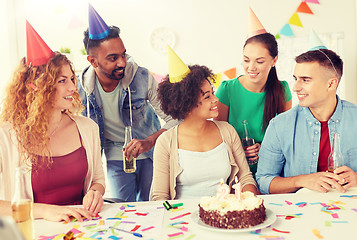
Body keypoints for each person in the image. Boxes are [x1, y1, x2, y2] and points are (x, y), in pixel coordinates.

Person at [0, 22, 105, 222]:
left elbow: (98, 180)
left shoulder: (87, 128)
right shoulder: (5, 136)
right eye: (62, 81)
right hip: (32, 231)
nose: (73, 88)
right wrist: (45, 211)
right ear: (36, 87)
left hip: (84, 228)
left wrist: (95, 192)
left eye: (72, 79)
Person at [78, 7, 178, 202]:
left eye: (123, 54)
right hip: (115, 158)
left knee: (153, 208)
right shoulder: (78, 88)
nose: (122, 62)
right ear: (93, 61)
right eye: (112, 58)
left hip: (151, 155)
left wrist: (150, 141)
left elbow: (174, 119)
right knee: (122, 209)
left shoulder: (142, 77)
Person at [256, 48, 357, 194]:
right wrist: (302, 180)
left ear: (331, 84)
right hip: (300, 211)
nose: (295, 87)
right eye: (296, 79)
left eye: (305, 80)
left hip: (354, 208)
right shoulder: (279, 126)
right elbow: (264, 181)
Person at [151, 49, 258, 200]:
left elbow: (246, 178)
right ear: (187, 104)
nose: (216, 100)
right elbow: (160, 196)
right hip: (182, 219)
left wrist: (249, 205)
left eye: (212, 93)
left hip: (223, 216)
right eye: (207, 96)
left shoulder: (227, 131)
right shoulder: (166, 142)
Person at [215, 9, 292, 177]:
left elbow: (286, 137)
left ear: (274, 60)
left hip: (272, 171)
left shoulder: (283, 90)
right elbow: (218, 137)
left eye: (259, 61)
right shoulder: (227, 89)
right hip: (235, 170)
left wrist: (264, 147)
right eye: (246, 60)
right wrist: (238, 149)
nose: (251, 67)